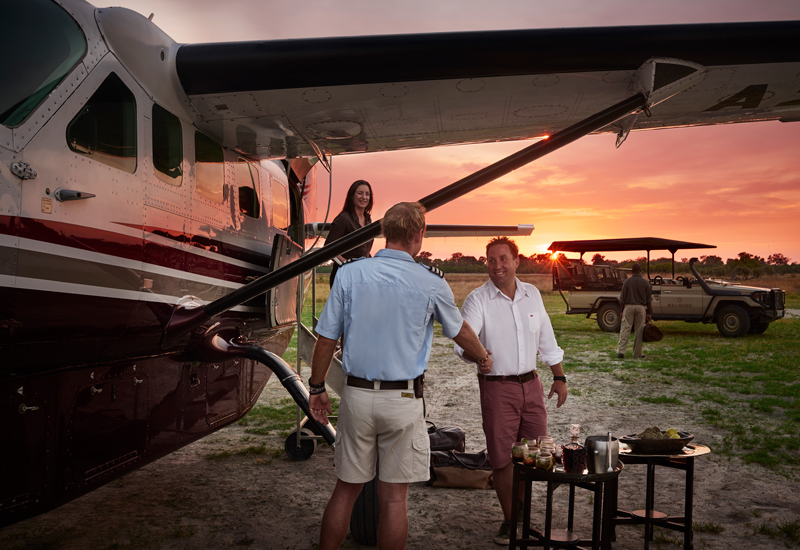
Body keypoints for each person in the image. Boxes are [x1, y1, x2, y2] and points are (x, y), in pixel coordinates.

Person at [308, 202, 493, 550]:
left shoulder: (350, 273)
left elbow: (326, 337)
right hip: (403, 399)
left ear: (384, 232)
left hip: (358, 396)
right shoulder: (429, 281)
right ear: (418, 236)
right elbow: (459, 330)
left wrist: (316, 387)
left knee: (345, 490)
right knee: (394, 500)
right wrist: (484, 357)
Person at [454, 237, 567, 546]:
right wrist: (478, 355)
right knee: (503, 458)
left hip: (531, 385)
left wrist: (560, 377)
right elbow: (462, 340)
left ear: (517, 262)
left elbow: (546, 339)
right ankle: (510, 520)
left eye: (503, 259)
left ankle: (521, 509)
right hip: (497, 388)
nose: (497, 266)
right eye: (491, 260)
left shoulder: (533, 295)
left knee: (537, 452)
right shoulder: (478, 300)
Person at [327, 179, 375, 287]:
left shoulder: (368, 220)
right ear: (352, 196)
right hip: (344, 276)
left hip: (361, 277)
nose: (364, 197)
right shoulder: (343, 219)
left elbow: (365, 251)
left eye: (367, 194)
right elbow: (328, 249)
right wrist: (348, 265)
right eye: (360, 193)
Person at [617, 263, 652, 359]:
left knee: (625, 329)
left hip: (629, 307)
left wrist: (621, 311)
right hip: (641, 308)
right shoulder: (645, 283)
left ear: (632, 271)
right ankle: (637, 354)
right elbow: (648, 300)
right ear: (640, 270)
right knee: (639, 330)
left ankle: (621, 351)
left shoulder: (627, 282)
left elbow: (622, 299)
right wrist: (649, 313)